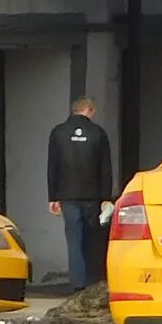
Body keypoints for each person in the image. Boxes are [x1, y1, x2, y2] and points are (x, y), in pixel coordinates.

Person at [48, 94, 116, 290]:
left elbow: (53, 166)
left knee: (74, 239)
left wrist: (53, 196)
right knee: (92, 239)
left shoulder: (58, 132)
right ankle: (94, 281)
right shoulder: (98, 133)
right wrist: (105, 197)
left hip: (68, 196)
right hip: (93, 196)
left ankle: (78, 283)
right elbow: (105, 168)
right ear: (90, 110)